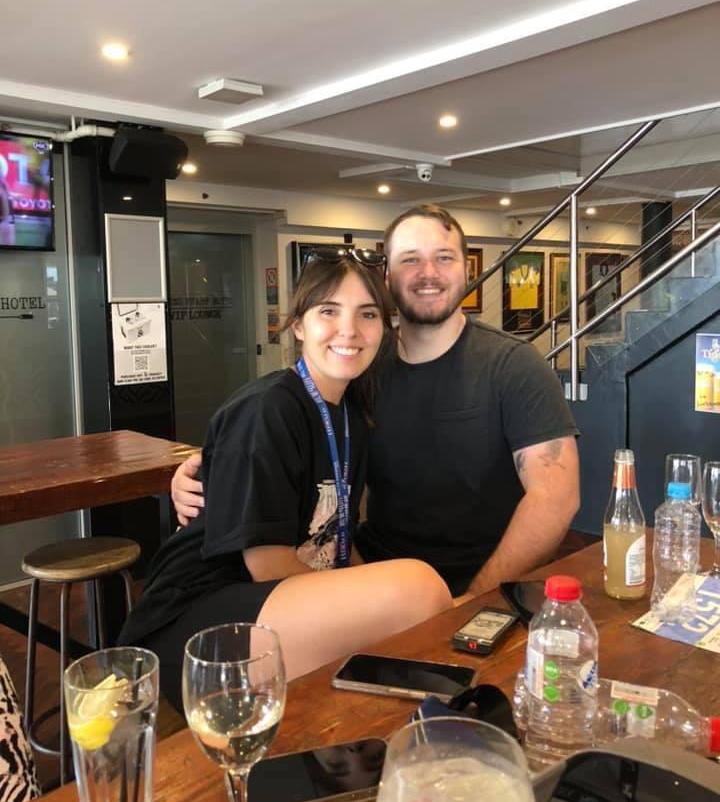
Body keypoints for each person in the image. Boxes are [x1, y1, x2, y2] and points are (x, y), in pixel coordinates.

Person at [172, 205, 580, 602]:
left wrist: (476, 597)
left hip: (481, 579)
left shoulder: (512, 365)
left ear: (466, 270)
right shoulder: (361, 366)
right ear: (387, 277)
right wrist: (202, 471)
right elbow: (282, 429)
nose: (428, 273)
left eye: (444, 257)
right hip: (371, 574)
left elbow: (555, 498)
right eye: (410, 259)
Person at [118, 250, 451, 709]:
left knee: (410, 615)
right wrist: (365, 608)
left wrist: (367, 598)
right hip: (196, 623)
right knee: (418, 587)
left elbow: (335, 539)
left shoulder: (352, 415)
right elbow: (267, 564)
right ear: (298, 325)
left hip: (282, 603)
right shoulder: (267, 409)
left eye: (367, 314)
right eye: (328, 311)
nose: (349, 330)